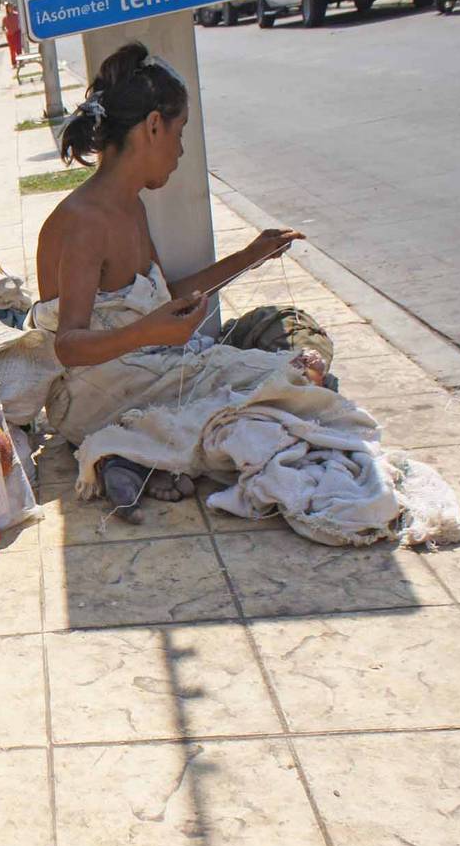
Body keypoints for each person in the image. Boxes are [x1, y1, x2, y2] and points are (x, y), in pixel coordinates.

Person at [34, 42, 309, 522]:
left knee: (286, 371)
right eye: (179, 132)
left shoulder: (130, 204)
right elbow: (69, 346)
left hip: (141, 371)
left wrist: (250, 256)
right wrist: (150, 334)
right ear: (153, 126)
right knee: (281, 397)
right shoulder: (84, 219)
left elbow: (165, 296)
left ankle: (136, 454)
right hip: (95, 393)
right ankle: (123, 447)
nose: (181, 150)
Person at [3, 3, 24, 67]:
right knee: (12, 49)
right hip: (10, 35)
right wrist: (6, 30)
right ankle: (14, 63)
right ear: (7, 9)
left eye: (11, 7)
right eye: (9, 8)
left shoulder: (17, 15)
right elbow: (3, 27)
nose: (10, 9)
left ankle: (21, 62)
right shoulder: (5, 18)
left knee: (18, 48)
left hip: (17, 32)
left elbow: (21, 22)